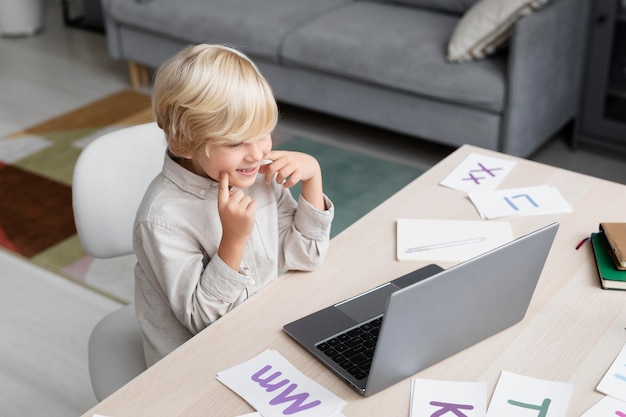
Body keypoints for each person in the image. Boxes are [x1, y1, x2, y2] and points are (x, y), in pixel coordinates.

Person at [133, 44, 334, 366]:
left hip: (260, 338)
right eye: (235, 142)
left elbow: (305, 257)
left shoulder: (256, 177)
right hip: (196, 365)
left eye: (263, 133)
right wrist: (234, 240)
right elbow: (204, 322)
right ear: (183, 142)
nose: (257, 154)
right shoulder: (162, 220)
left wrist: (313, 179)